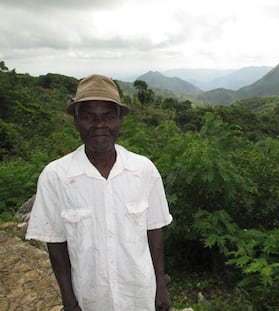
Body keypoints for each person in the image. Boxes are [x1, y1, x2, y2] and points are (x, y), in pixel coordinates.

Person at [26, 74, 173, 311]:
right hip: (90, 298)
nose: (99, 125)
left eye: (107, 116)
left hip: (138, 295)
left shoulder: (143, 170)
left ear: (119, 120)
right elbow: (56, 242)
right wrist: (68, 298)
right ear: (76, 121)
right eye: (88, 117)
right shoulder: (56, 176)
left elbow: (154, 230)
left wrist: (160, 285)